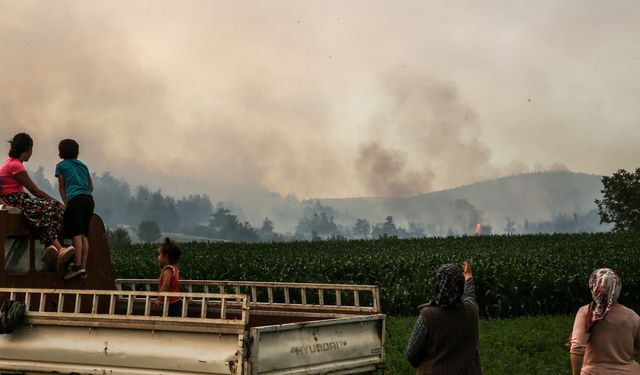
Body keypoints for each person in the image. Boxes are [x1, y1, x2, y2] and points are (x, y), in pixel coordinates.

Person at [0, 133, 74, 266]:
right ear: (28, 149)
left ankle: (48, 247)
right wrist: (57, 202)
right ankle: (59, 248)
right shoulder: (15, 166)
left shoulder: (11, 163)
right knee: (46, 207)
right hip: (15, 199)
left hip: (17, 198)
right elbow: (34, 190)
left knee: (54, 209)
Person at [405, 260, 482, 374]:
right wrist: (468, 275)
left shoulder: (428, 315)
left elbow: (412, 355)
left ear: (439, 284)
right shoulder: (471, 309)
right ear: (460, 285)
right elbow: (470, 295)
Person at [570, 268, 640, 375]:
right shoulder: (633, 315)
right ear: (617, 287)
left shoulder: (587, 312)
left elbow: (577, 348)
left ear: (594, 285)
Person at [55, 139, 94, 280]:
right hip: (88, 200)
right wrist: (85, 194)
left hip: (75, 200)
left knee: (75, 234)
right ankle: (83, 267)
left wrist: (67, 203)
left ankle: (76, 266)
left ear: (60, 154)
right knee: (84, 235)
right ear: (77, 153)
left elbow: (61, 186)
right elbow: (91, 186)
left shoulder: (60, 166)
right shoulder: (83, 165)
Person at [154, 237, 183, 317]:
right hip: (175, 300)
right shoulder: (174, 267)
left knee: (169, 319)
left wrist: (159, 299)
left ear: (166, 257)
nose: (158, 257)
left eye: (160, 254)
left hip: (170, 301)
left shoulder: (168, 270)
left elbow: (165, 285)